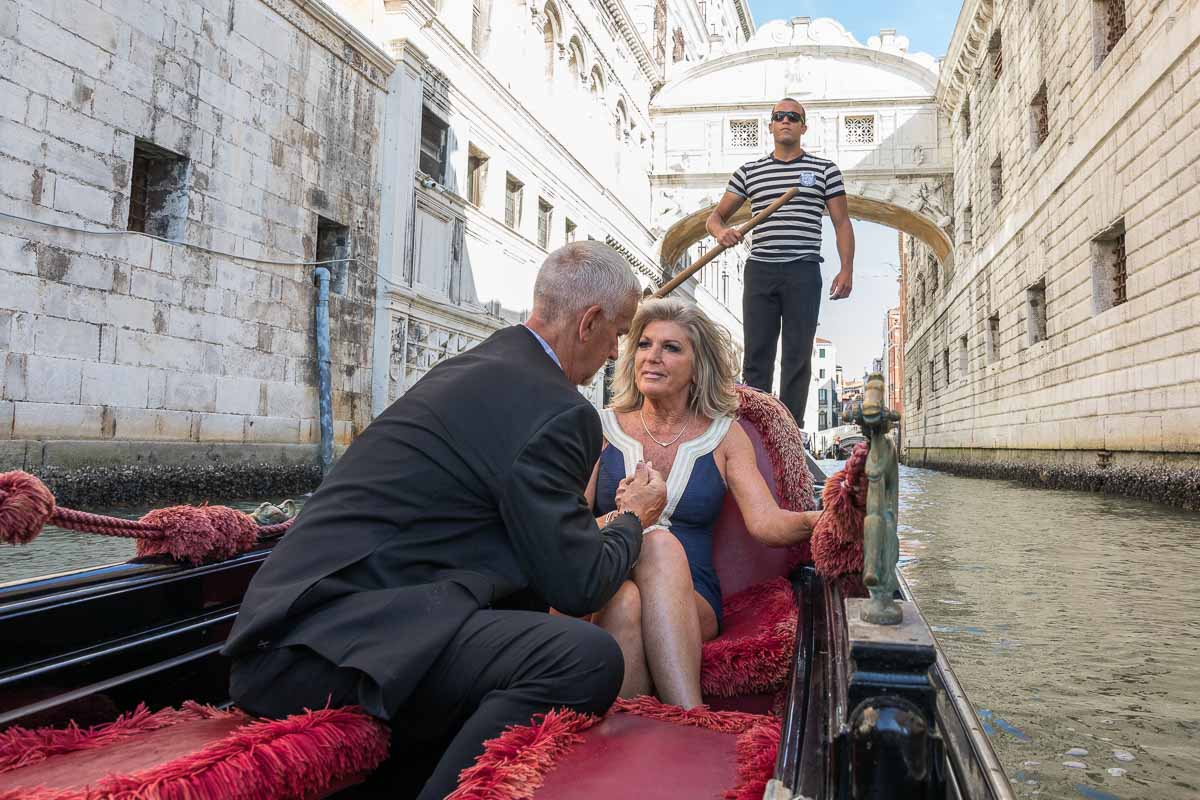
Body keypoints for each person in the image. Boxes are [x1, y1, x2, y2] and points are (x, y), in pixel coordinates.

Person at [222, 242, 668, 800]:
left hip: (303, 630)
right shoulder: (559, 410)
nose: (616, 352)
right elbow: (578, 585)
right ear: (590, 322)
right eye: (619, 333)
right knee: (582, 658)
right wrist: (632, 518)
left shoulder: (479, 368)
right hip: (323, 650)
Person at [585, 298, 823, 709]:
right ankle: (644, 729)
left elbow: (767, 523)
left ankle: (684, 716)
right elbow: (565, 527)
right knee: (625, 600)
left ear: (698, 367)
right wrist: (626, 516)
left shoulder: (725, 436)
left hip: (692, 599)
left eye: (671, 348)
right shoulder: (598, 427)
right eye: (644, 345)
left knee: (657, 544)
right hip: (606, 586)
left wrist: (829, 515)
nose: (652, 357)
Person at [706, 97, 856, 428]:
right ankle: (754, 428)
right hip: (760, 269)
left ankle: (788, 430)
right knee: (757, 355)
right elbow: (715, 218)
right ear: (771, 125)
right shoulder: (749, 172)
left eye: (793, 116)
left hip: (803, 270)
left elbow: (842, 222)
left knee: (797, 356)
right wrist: (722, 233)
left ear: (803, 127)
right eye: (779, 116)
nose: (785, 120)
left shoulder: (824, 171)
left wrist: (846, 269)